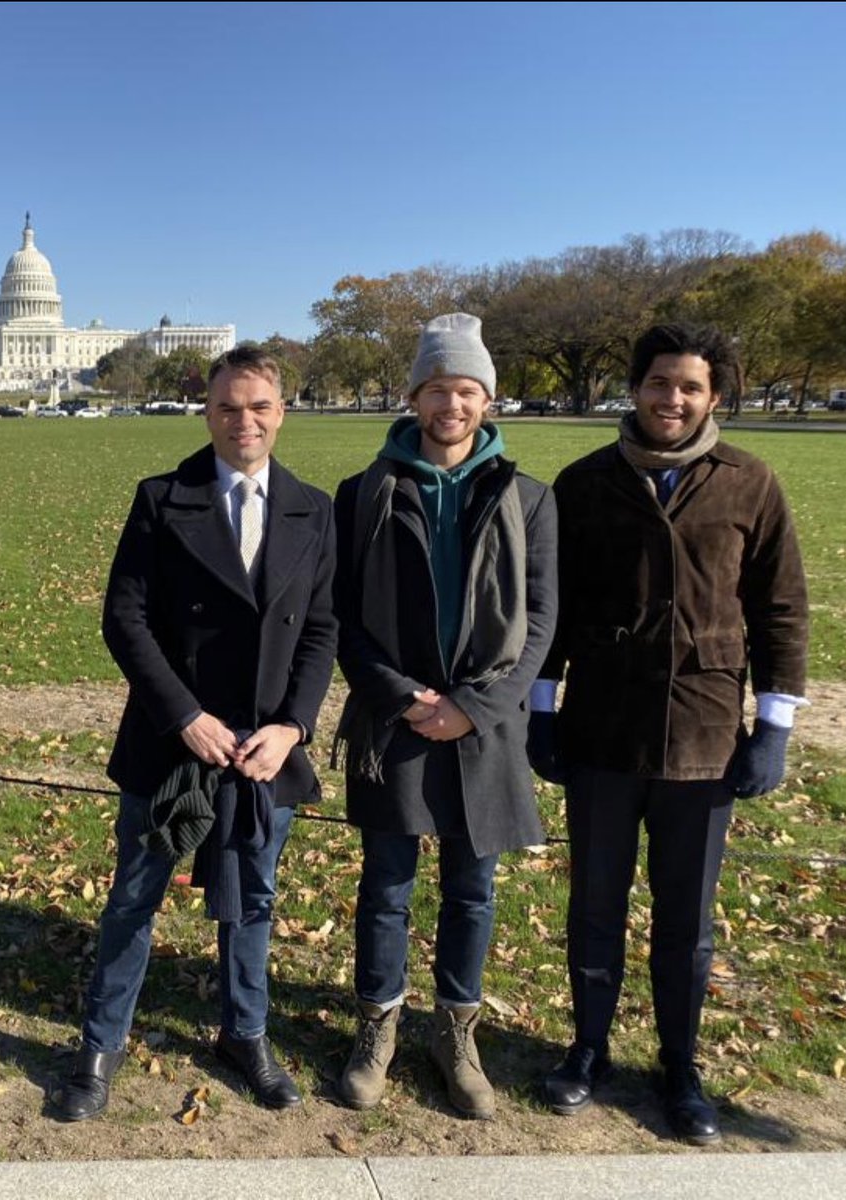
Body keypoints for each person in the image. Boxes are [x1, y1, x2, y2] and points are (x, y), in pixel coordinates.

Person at [529, 322, 809, 1144]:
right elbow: (557, 608)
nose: (671, 400)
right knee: (594, 905)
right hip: (602, 731)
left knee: (685, 916)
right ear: (636, 387)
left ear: (712, 395)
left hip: (705, 735)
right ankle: (587, 1049)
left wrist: (774, 726)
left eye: (688, 387)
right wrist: (541, 710)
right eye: (658, 383)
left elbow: (780, 609)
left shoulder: (748, 483)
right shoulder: (584, 483)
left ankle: (678, 1066)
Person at [56, 347, 337, 1120]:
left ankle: (244, 1034)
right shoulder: (161, 498)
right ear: (206, 411)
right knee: (134, 898)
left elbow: (319, 629)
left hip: (259, 752)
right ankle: (100, 1045)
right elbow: (125, 617)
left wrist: (292, 726)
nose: (242, 421)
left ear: (281, 411)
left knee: (251, 899)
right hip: (173, 741)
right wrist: (183, 715)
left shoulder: (313, 509)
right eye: (226, 407)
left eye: (258, 407)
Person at [332, 313, 558, 1120]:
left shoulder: (528, 499)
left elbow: (538, 626)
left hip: (483, 726)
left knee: (471, 888)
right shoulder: (362, 494)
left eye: (466, 390)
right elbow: (344, 620)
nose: (451, 404)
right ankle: (377, 1027)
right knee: (386, 886)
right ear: (413, 395)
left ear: (487, 400)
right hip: (394, 716)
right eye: (437, 388)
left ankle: (456, 1032)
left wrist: (471, 708)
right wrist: (400, 696)